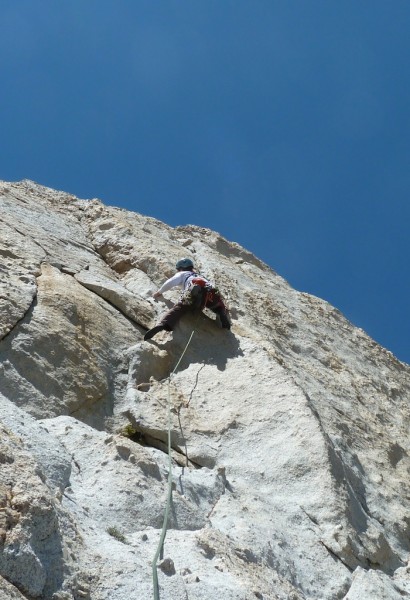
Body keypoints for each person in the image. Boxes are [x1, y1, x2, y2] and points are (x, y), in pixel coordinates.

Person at [144, 258, 231, 340]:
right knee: (218, 304)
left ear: (180, 268)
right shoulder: (200, 275)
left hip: (194, 288)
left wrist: (159, 293)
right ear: (191, 267)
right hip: (210, 292)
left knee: (180, 307)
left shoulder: (182, 273)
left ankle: (163, 324)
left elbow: (169, 283)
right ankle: (221, 312)